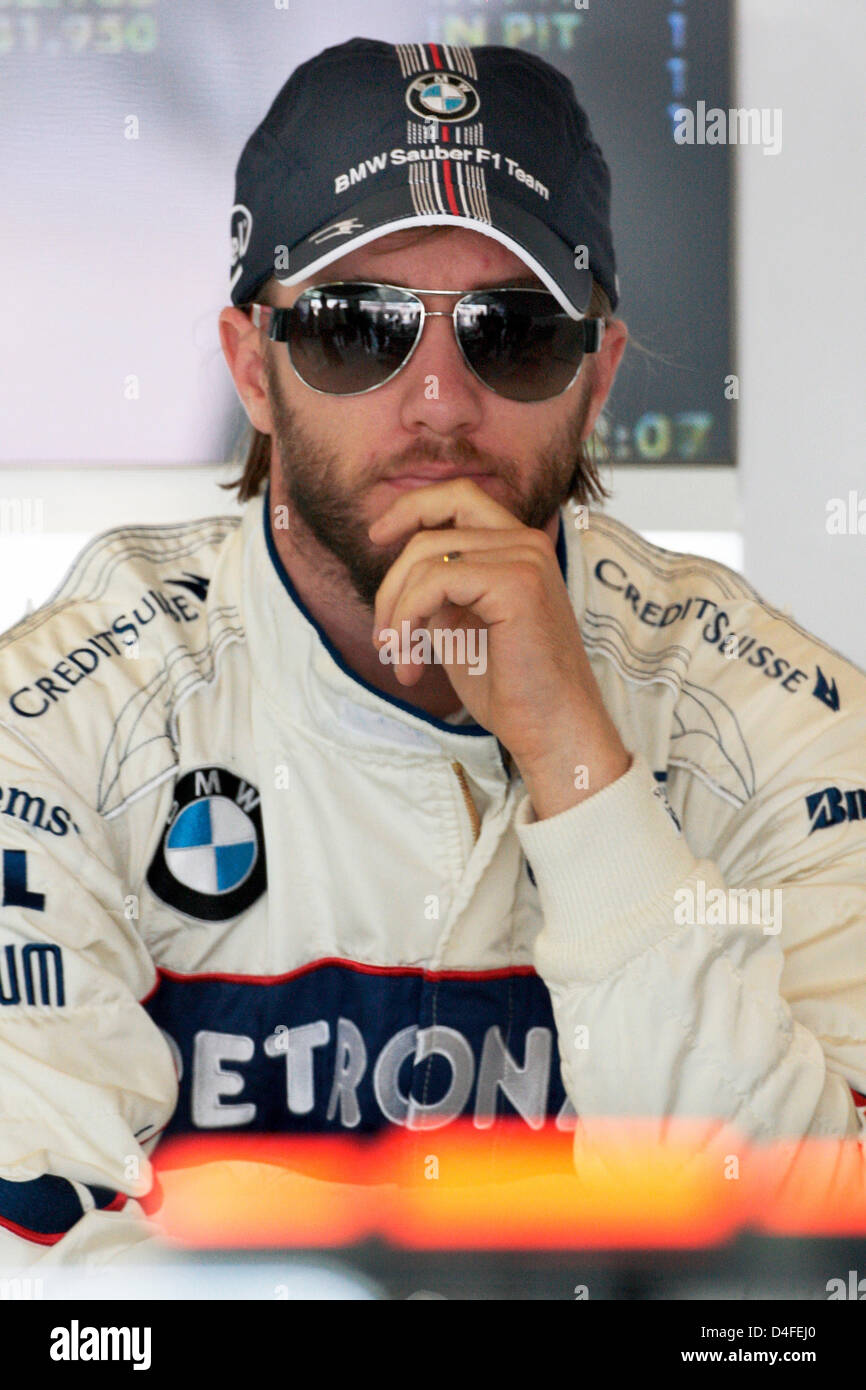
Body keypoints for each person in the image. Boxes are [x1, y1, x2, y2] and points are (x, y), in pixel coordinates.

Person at [1, 35, 864, 1270]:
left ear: (595, 372)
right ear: (253, 364)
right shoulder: (55, 728)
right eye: (359, 328)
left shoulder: (783, 725)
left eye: (509, 334)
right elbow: (47, 1289)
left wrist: (581, 768)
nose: (440, 401)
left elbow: (801, 1285)